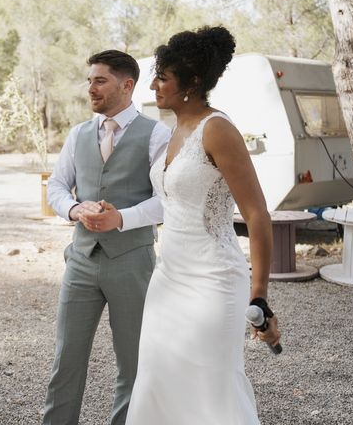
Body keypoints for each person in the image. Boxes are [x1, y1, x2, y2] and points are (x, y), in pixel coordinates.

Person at [125, 26, 281, 424]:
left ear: (192, 83)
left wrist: (259, 295)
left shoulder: (218, 130)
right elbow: (171, 202)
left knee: (211, 392)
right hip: (168, 281)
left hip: (213, 281)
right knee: (157, 383)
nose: (154, 85)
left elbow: (257, 215)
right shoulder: (176, 129)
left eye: (163, 77)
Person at [43, 50, 171, 425]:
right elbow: (57, 186)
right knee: (66, 358)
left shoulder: (157, 134)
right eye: (89, 81)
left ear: (126, 84)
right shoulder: (78, 133)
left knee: (133, 362)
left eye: (99, 81)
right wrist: (73, 209)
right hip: (81, 260)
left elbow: (167, 199)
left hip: (132, 261)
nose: (91, 89)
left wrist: (121, 218)